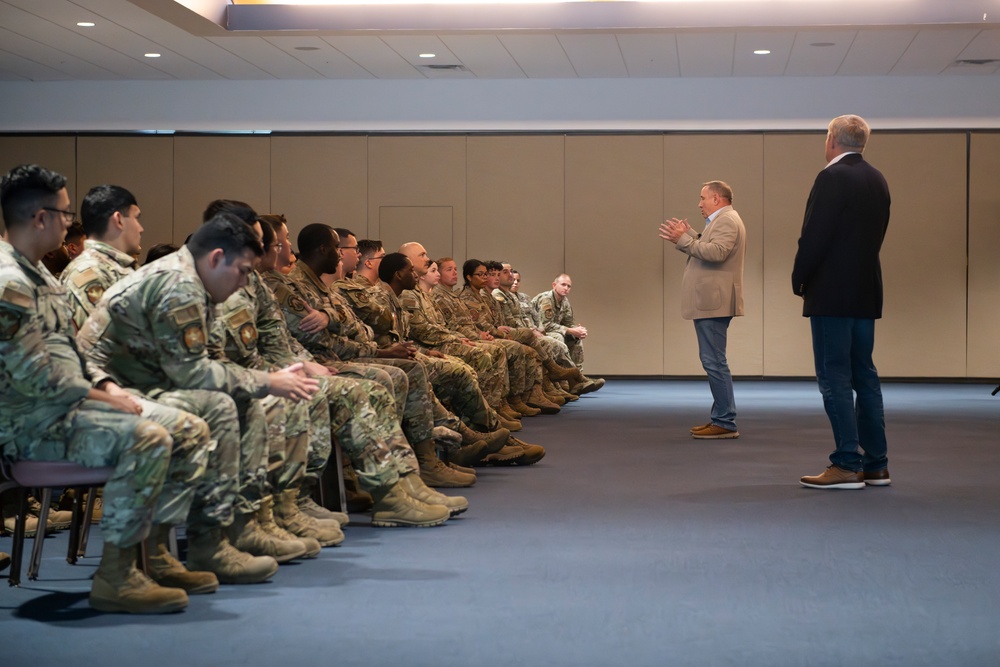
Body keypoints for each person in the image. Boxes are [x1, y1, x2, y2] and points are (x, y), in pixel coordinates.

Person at [0, 164, 211, 613]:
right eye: (63, 212)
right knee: (149, 435)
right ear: (39, 218)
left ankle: (152, 557)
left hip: (64, 409)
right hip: (30, 426)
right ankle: (117, 576)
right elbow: (39, 381)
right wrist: (109, 398)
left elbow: (72, 357)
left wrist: (107, 390)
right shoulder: (10, 284)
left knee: (189, 428)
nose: (68, 222)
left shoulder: (38, 276)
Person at [79, 212, 319, 582]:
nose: (243, 284)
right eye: (241, 271)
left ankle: (239, 523)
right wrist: (267, 380)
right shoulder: (180, 284)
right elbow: (192, 373)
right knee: (221, 404)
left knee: (240, 398)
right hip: (103, 390)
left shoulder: (196, 281)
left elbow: (203, 362)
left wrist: (263, 381)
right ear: (215, 258)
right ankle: (203, 542)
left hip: (141, 382)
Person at [793, 115, 891, 490]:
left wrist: (799, 277)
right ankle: (876, 464)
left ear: (832, 138)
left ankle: (847, 464)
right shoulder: (877, 178)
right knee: (864, 374)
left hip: (832, 293)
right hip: (866, 291)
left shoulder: (831, 177)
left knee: (834, 376)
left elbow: (815, 236)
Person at [659, 180, 746, 439]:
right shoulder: (721, 221)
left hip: (713, 303)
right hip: (712, 301)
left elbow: (717, 253)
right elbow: (712, 247)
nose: (699, 204)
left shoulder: (728, 220)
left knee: (714, 361)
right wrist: (695, 236)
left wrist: (684, 240)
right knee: (713, 360)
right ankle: (721, 417)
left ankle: (725, 422)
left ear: (717, 199)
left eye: (703, 198)